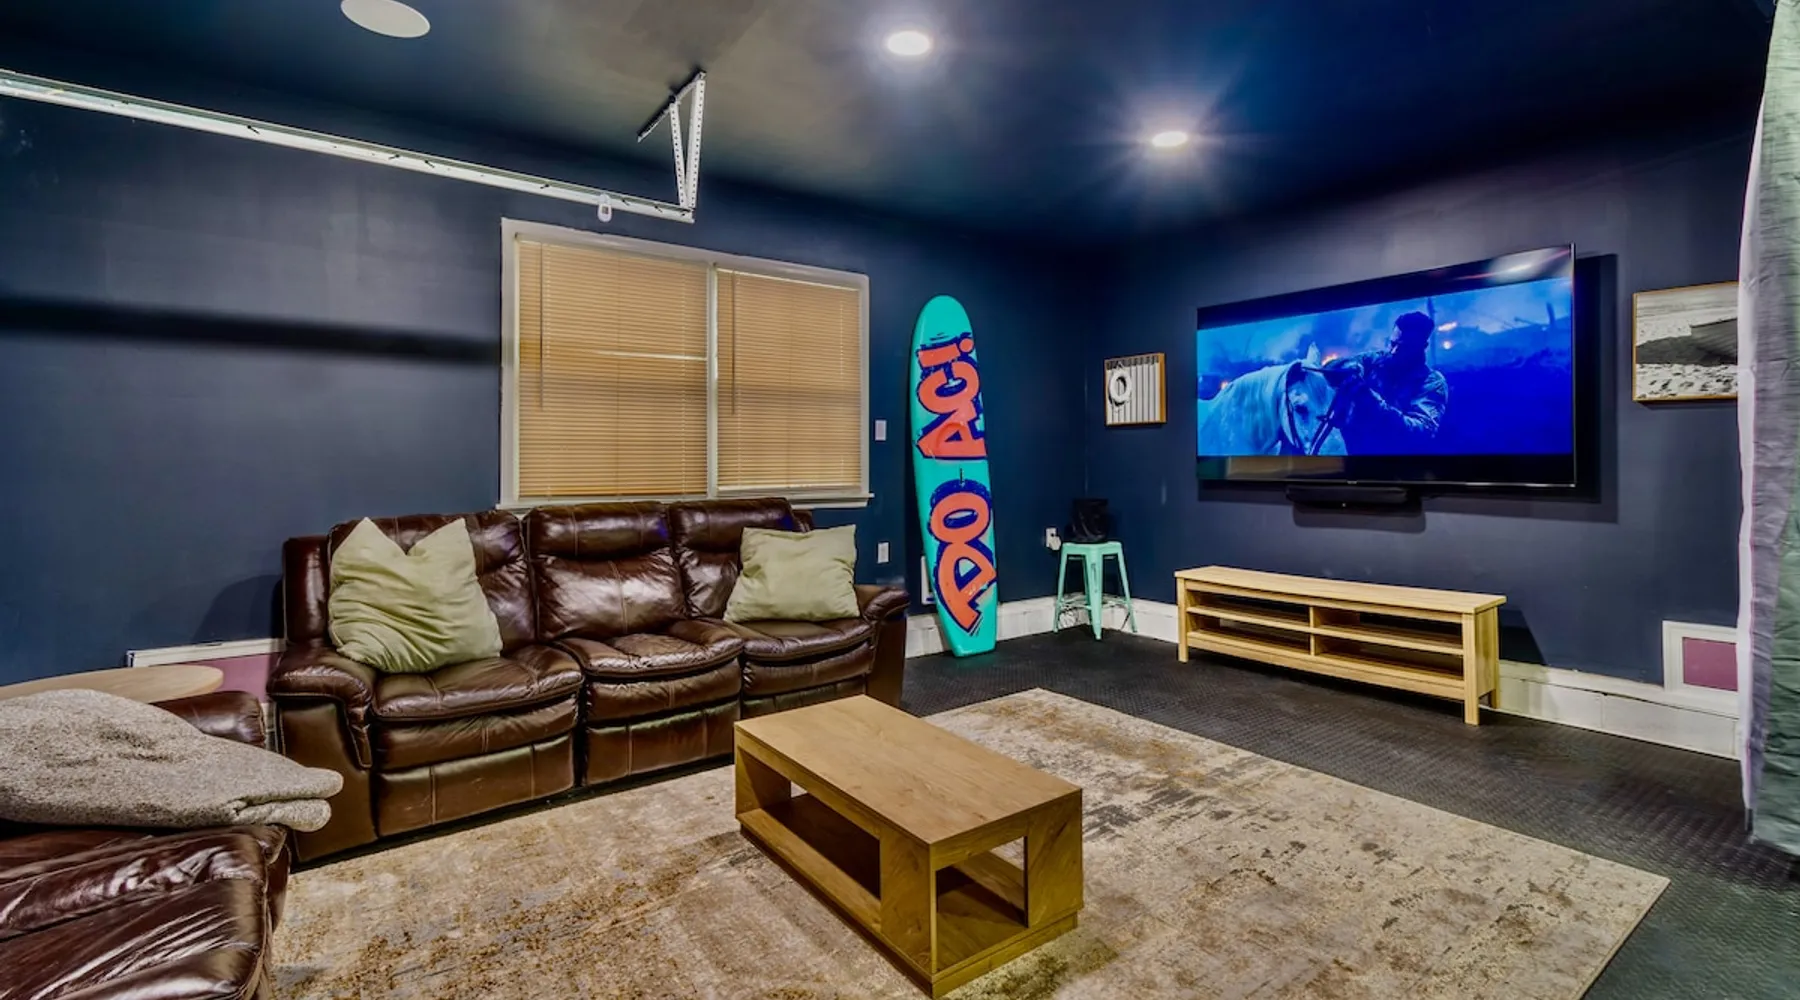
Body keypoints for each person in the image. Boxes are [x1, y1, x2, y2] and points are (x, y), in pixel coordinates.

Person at [1320, 311, 1449, 453]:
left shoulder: (1432, 382)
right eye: (1392, 343)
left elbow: (1421, 432)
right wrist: (1351, 369)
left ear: (1422, 346)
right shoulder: (1374, 360)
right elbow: (1330, 370)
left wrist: (1372, 402)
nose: (1394, 351)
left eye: (1404, 347)